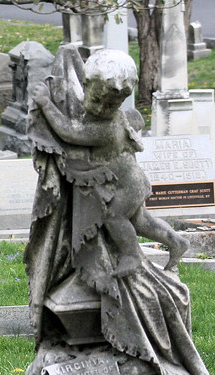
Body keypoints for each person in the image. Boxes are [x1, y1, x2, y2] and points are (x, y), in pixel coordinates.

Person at [29, 49, 189, 276]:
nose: (102, 109)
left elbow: (69, 132)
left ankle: (131, 256)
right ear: (85, 84)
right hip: (129, 181)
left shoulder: (104, 128)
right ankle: (176, 242)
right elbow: (136, 119)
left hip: (128, 185)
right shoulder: (117, 116)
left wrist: (46, 104)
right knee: (141, 222)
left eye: (111, 105)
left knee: (114, 217)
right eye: (96, 100)